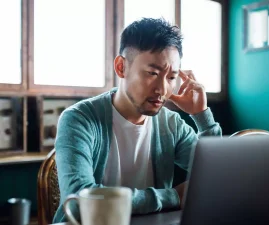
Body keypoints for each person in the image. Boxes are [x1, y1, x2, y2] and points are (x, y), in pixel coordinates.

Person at [53, 18, 222, 223]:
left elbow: (218, 178)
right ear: (121, 67)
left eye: (171, 78)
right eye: (152, 73)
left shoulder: (171, 124)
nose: (162, 90)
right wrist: (173, 196)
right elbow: (81, 201)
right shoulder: (79, 119)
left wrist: (202, 116)